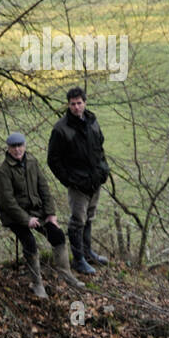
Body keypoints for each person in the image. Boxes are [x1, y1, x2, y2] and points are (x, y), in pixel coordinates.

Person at [0, 132, 82, 299]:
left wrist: (50, 214)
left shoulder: (32, 163)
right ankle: (37, 283)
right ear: (8, 149)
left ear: (24, 146)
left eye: (20, 146)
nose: (18, 150)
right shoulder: (2, 172)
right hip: (14, 216)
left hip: (36, 212)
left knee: (57, 235)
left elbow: (44, 189)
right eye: (14, 147)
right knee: (30, 243)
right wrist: (26, 220)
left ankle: (65, 274)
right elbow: (8, 202)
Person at [47, 87, 110, 276]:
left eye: (79, 103)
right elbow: (53, 160)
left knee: (89, 217)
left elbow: (100, 147)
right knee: (77, 221)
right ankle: (78, 259)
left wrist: (103, 169)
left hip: (94, 181)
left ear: (85, 102)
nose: (76, 107)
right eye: (72, 104)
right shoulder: (61, 129)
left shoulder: (92, 121)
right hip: (77, 184)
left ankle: (87, 252)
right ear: (68, 105)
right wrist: (69, 180)